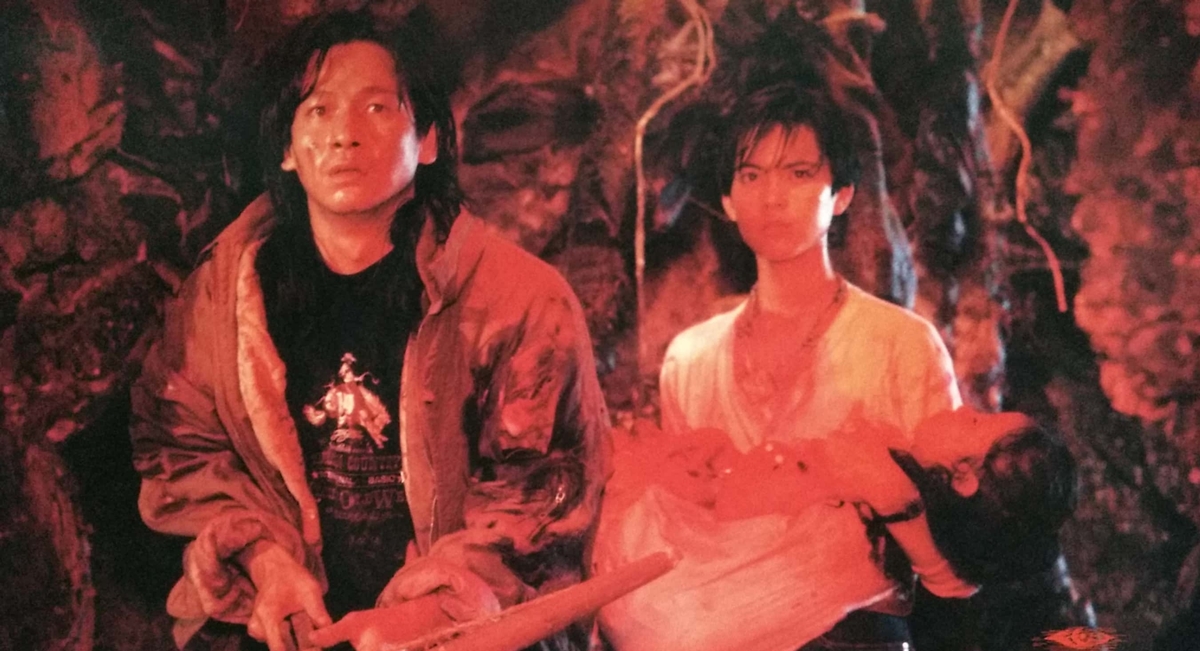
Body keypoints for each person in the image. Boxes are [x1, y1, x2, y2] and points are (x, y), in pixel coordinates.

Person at [130, 10, 609, 651]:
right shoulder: (223, 297)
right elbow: (178, 446)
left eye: (377, 108)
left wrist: (430, 611)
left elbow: (543, 493)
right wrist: (265, 561)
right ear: (287, 148)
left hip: (464, 628)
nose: (343, 136)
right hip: (288, 624)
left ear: (429, 139)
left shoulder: (517, 300)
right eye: (318, 110)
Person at [595, 81, 973, 651]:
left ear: (841, 194)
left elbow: (953, 543)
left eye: (798, 174)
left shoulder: (903, 344)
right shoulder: (690, 358)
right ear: (727, 200)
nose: (772, 197)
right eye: (751, 176)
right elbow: (685, 529)